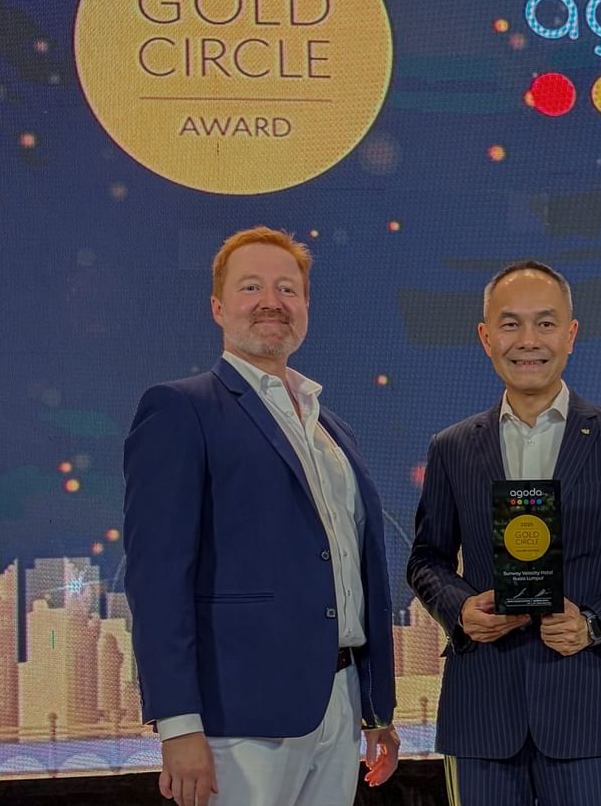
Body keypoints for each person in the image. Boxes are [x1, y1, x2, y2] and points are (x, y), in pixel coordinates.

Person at [123, 226, 399, 806]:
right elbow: (158, 578)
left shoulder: (332, 430)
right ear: (218, 307)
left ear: (305, 307)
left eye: (287, 289)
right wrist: (178, 726)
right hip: (238, 720)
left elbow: (354, 570)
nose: (271, 301)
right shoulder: (181, 409)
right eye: (251, 287)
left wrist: (375, 709)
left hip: (339, 706)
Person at [407, 260, 601, 805]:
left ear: (571, 333)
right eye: (510, 324)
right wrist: (461, 611)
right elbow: (427, 559)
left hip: (590, 707)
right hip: (482, 713)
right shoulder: (451, 447)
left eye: (545, 323)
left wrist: (595, 624)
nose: (528, 341)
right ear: (485, 336)